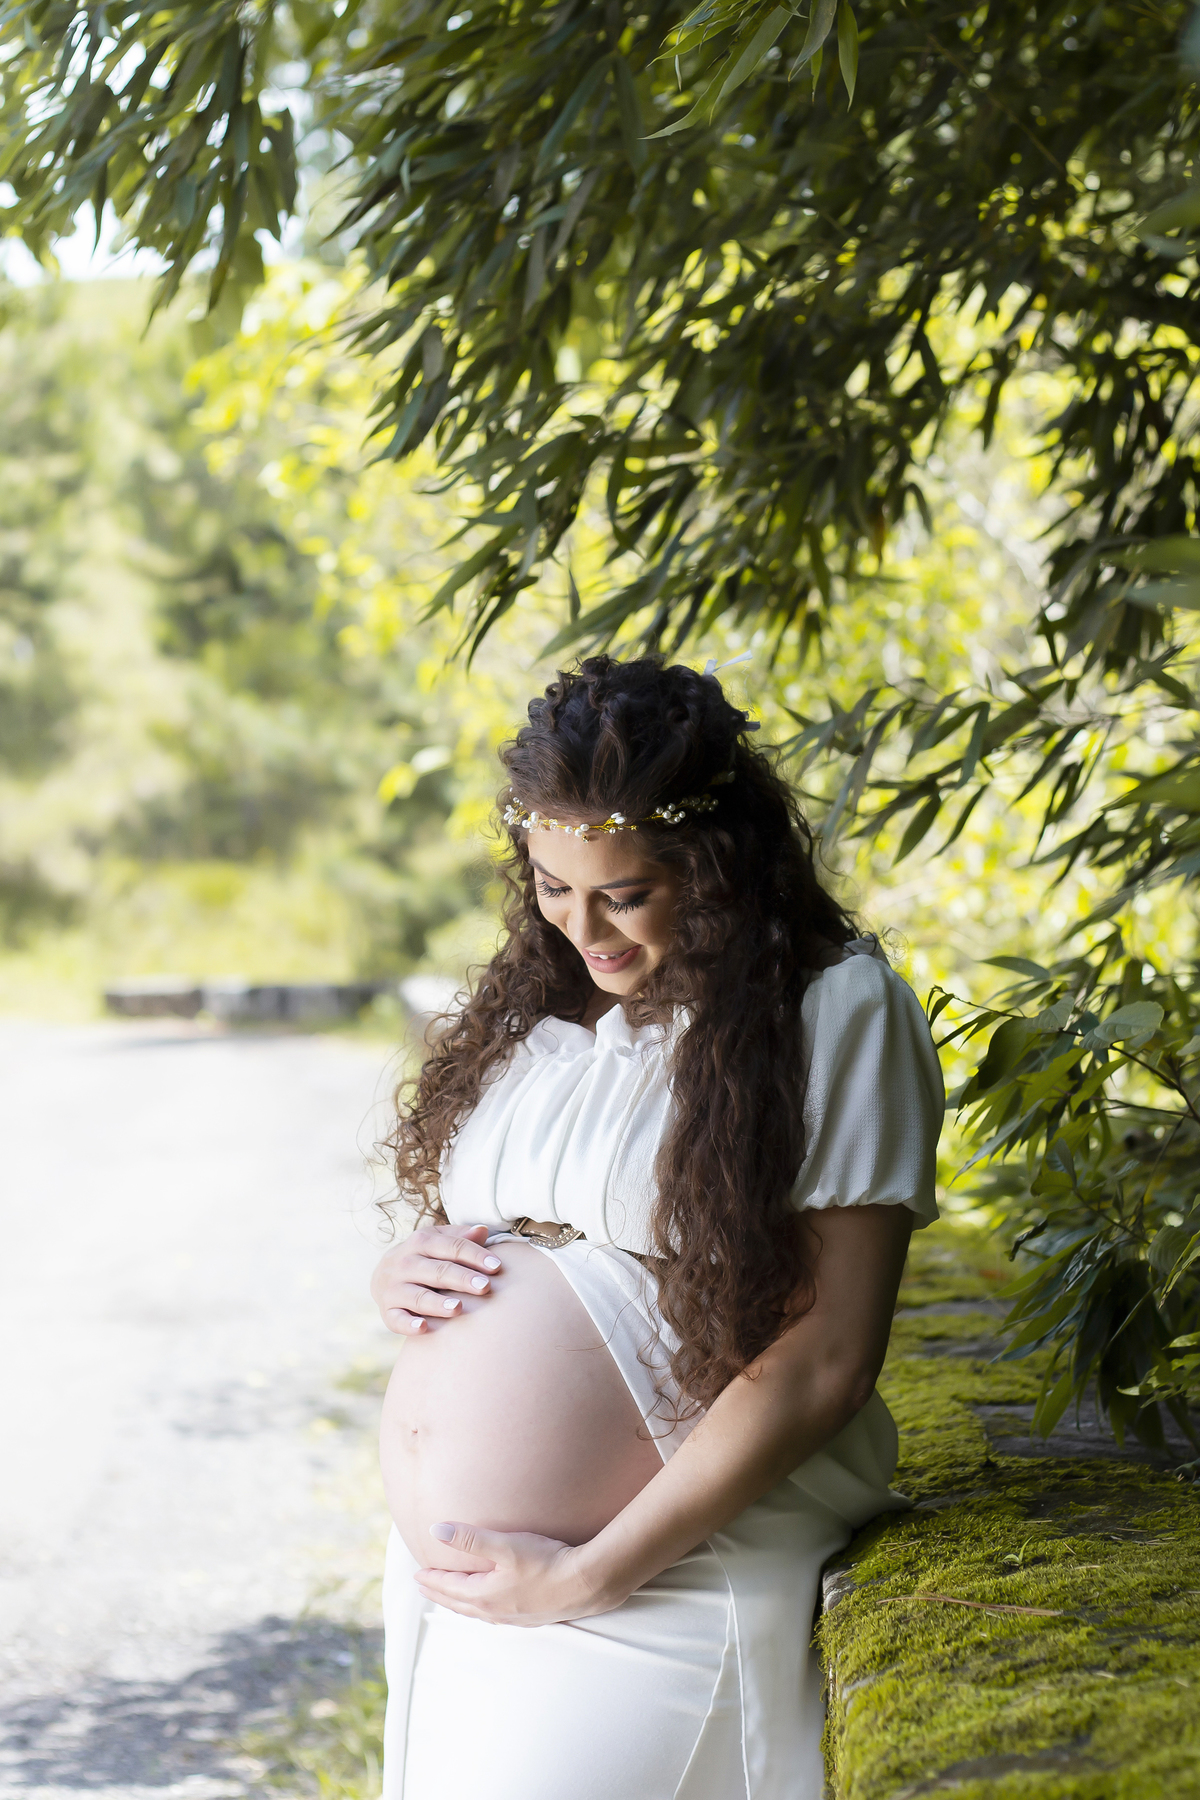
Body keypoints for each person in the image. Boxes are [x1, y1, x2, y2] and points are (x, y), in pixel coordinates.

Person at [370, 654, 943, 1800]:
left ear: (717, 866)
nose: (585, 928)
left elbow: (826, 1359)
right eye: (550, 886)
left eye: (624, 893)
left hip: (660, 1576)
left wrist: (590, 1574)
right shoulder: (552, 1006)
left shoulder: (834, 1009)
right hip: (472, 1586)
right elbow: (522, 1244)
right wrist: (407, 1273)